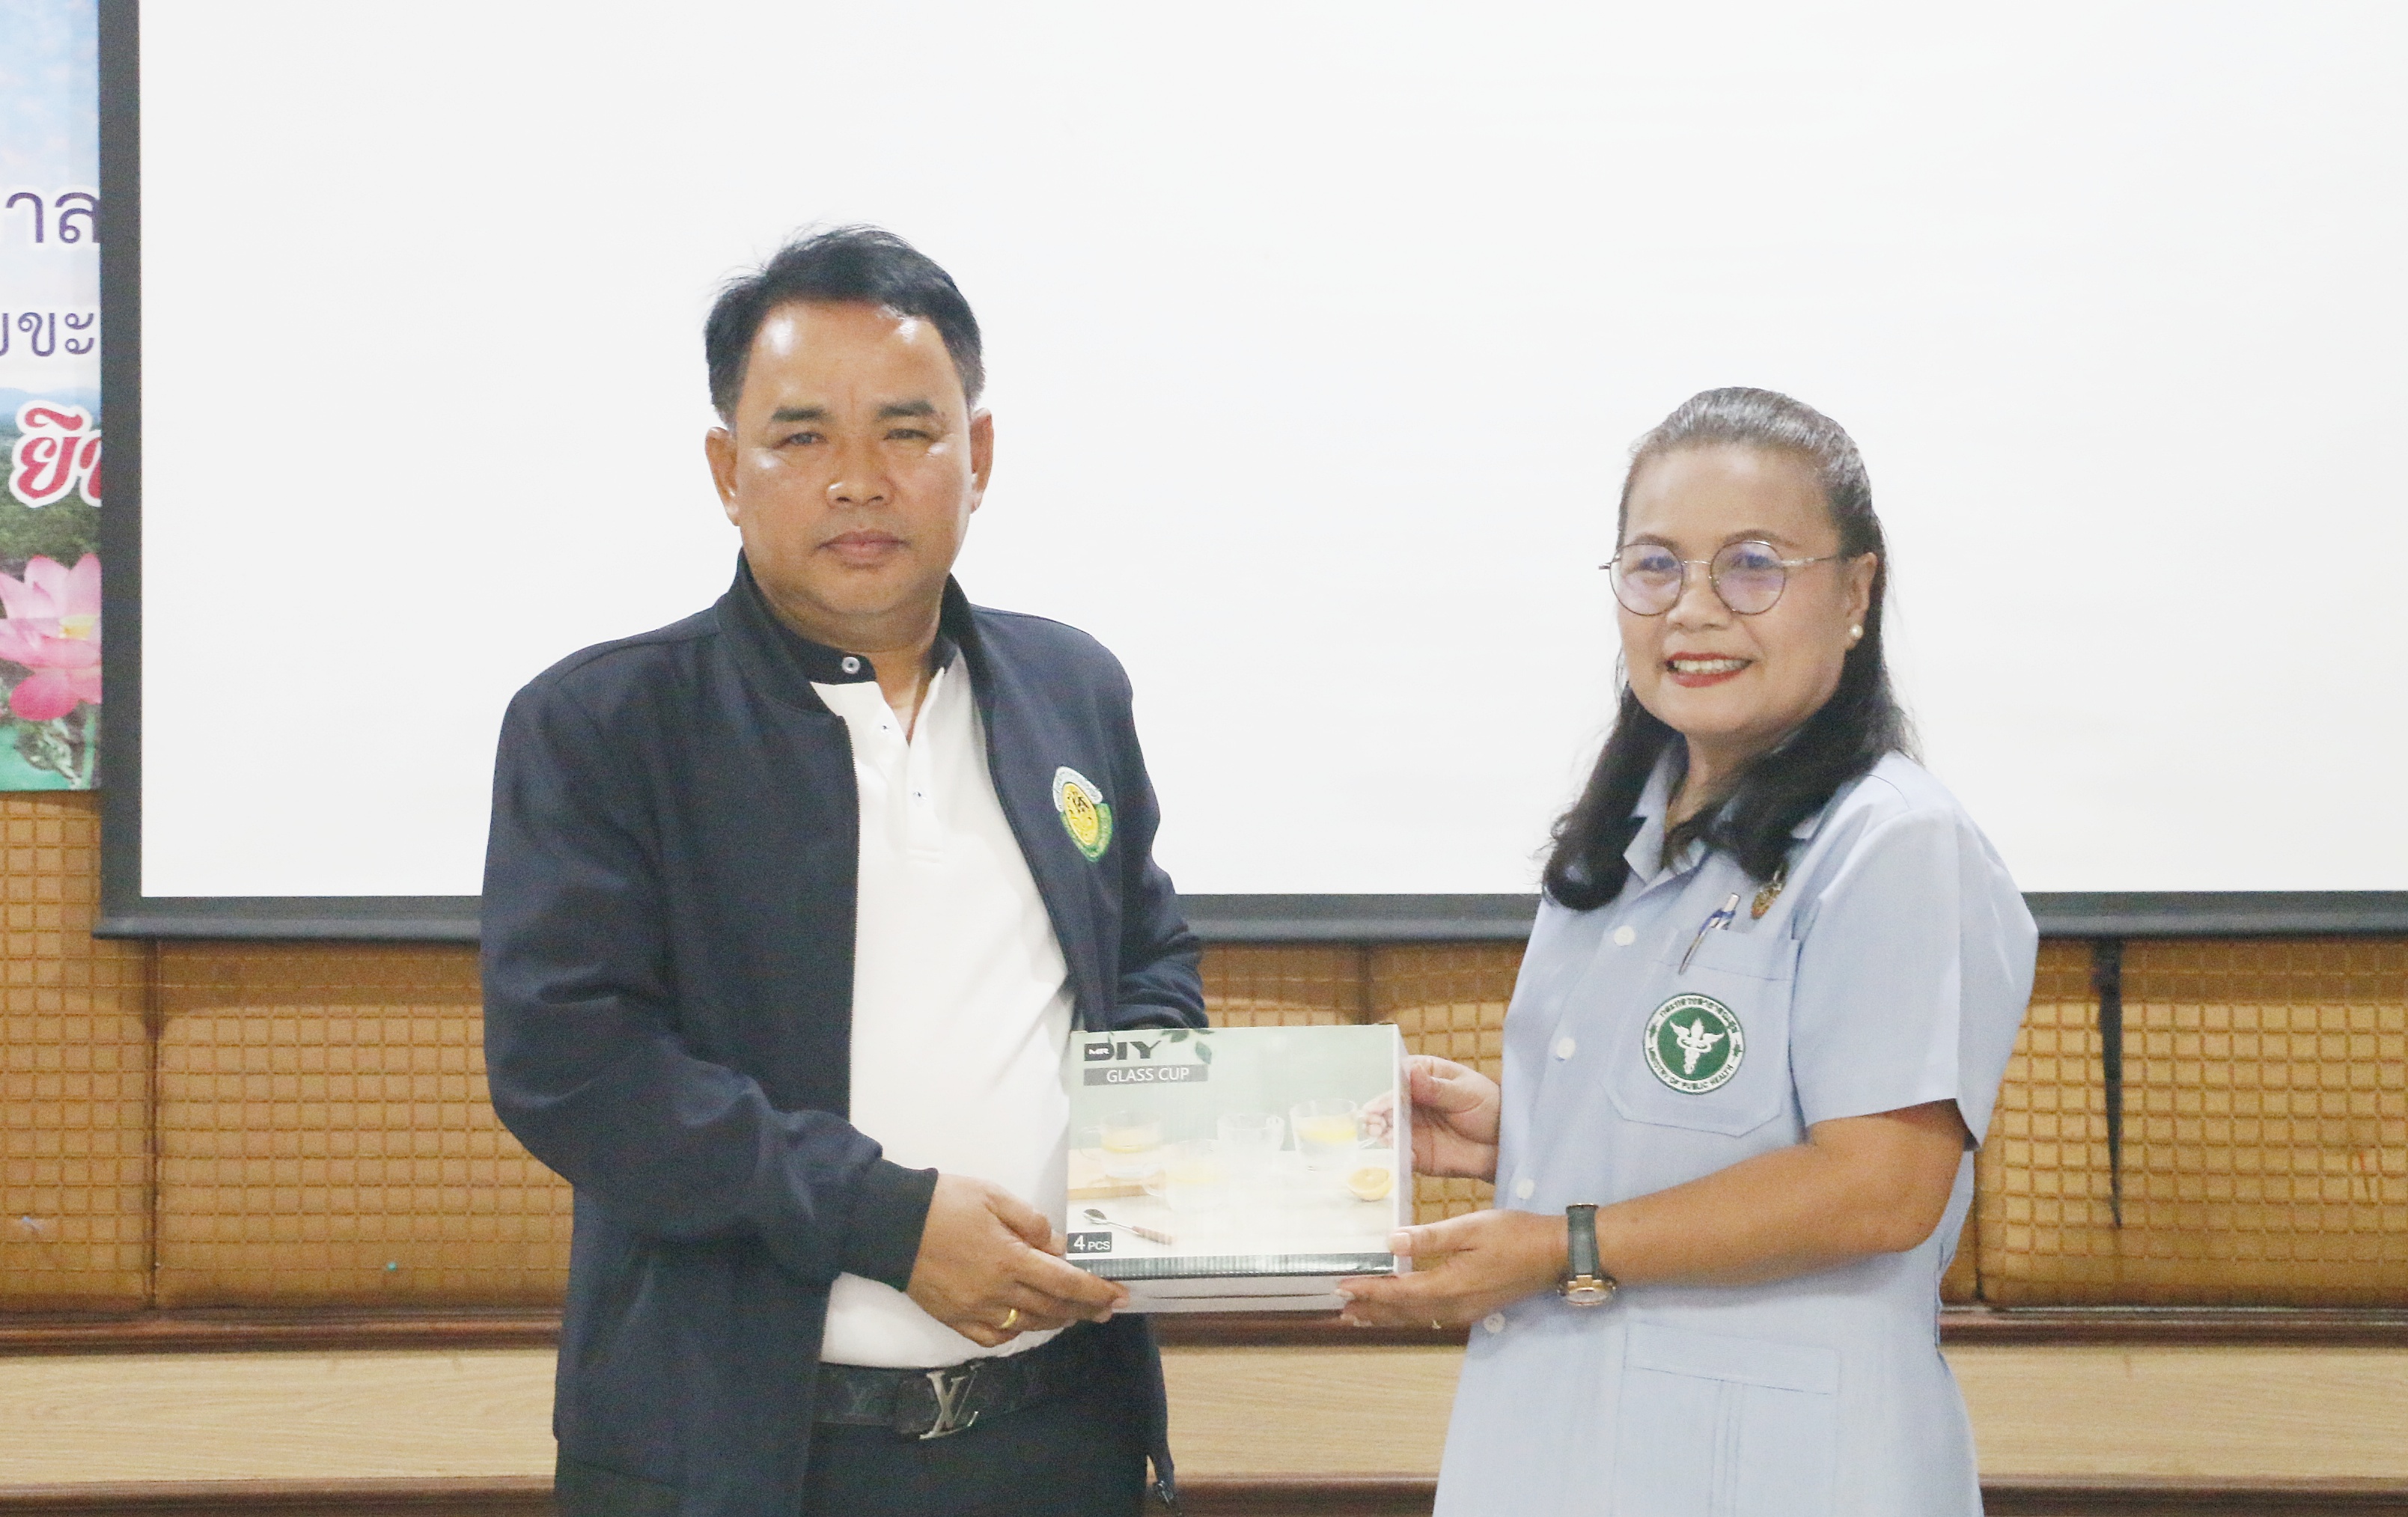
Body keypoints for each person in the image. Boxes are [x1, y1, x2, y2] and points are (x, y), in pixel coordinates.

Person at [481, 226, 1204, 1517]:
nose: (859, 481)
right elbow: (575, 1065)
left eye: (909, 433)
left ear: (979, 455)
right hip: (743, 1461)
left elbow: (1143, 957)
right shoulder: (603, 724)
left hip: (1060, 1435)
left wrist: (1172, 1129)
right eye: (802, 436)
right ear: (728, 469)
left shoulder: (1071, 689)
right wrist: (885, 1220)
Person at [1338, 388, 2037, 1516]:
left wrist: (1558, 1241)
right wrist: (1523, 1137)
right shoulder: (1619, 844)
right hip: (1556, 1455)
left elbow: (1879, 1188)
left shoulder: (1893, 842)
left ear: (1855, 592)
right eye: (1654, 566)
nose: (1693, 610)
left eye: (1753, 566)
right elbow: (1722, 1127)